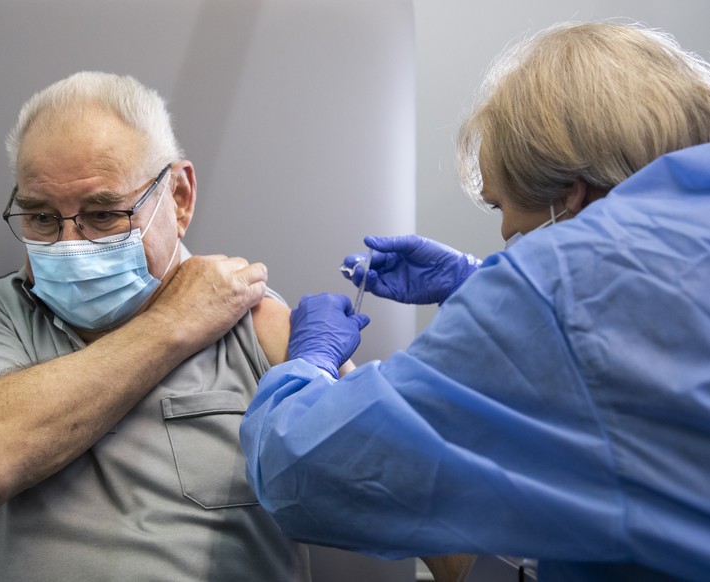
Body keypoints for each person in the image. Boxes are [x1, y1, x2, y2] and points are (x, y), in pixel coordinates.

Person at [240, 21, 710, 582]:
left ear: (571, 193)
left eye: (504, 212)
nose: (508, 231)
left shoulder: (561, 284)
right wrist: (481, 282)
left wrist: (309, 364)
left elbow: (304, 474)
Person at [0, 71, 317, 581]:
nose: (70, 244)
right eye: (41, 217)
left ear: (178, 197)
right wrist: (174, 322)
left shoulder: (257, 322)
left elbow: (392, 482)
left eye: (104, 213)